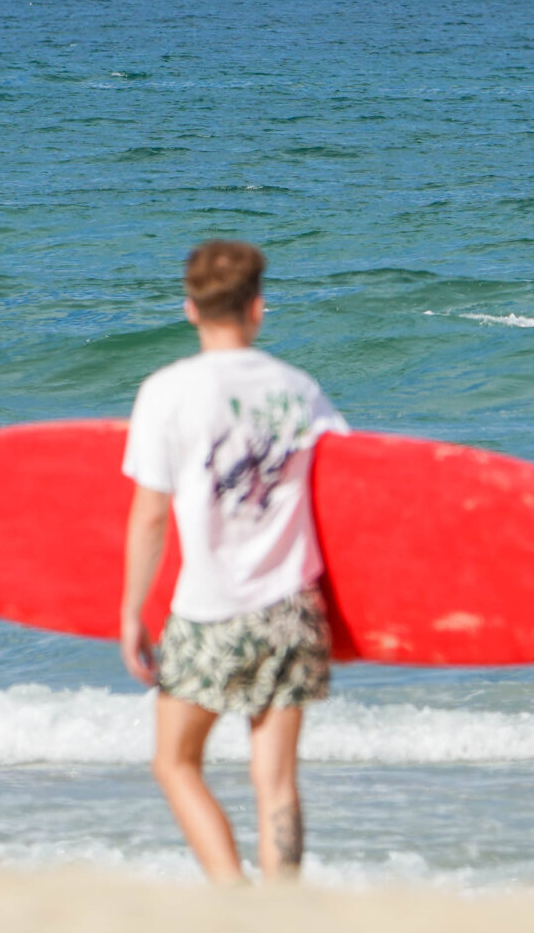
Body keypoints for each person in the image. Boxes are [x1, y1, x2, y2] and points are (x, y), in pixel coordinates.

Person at [120, 240, 348, 883]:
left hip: (208, 611)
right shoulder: (298, 391)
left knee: (174, 762)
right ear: (258, 308)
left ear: (190, 309)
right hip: (291, 609)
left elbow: (150, 515)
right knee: (275, 780)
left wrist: (131, 612)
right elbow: (351, 489)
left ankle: (231, 898)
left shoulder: (166, 392)